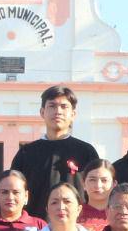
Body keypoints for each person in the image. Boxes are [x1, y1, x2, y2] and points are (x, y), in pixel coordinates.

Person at [10, 85, 99, 216]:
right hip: (35, 228)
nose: (58, 111)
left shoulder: (86, 151)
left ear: (73, 114)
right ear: (42, 112)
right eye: (52, 106)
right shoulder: (27, 153)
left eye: (64, 106)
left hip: (77, 228)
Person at [78, 158, 114, 231]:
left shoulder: (120, 214)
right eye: (92, 180)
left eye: (104, 180)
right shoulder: (74, 213)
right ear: (83, 183)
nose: (98, 185)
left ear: (114, 184)